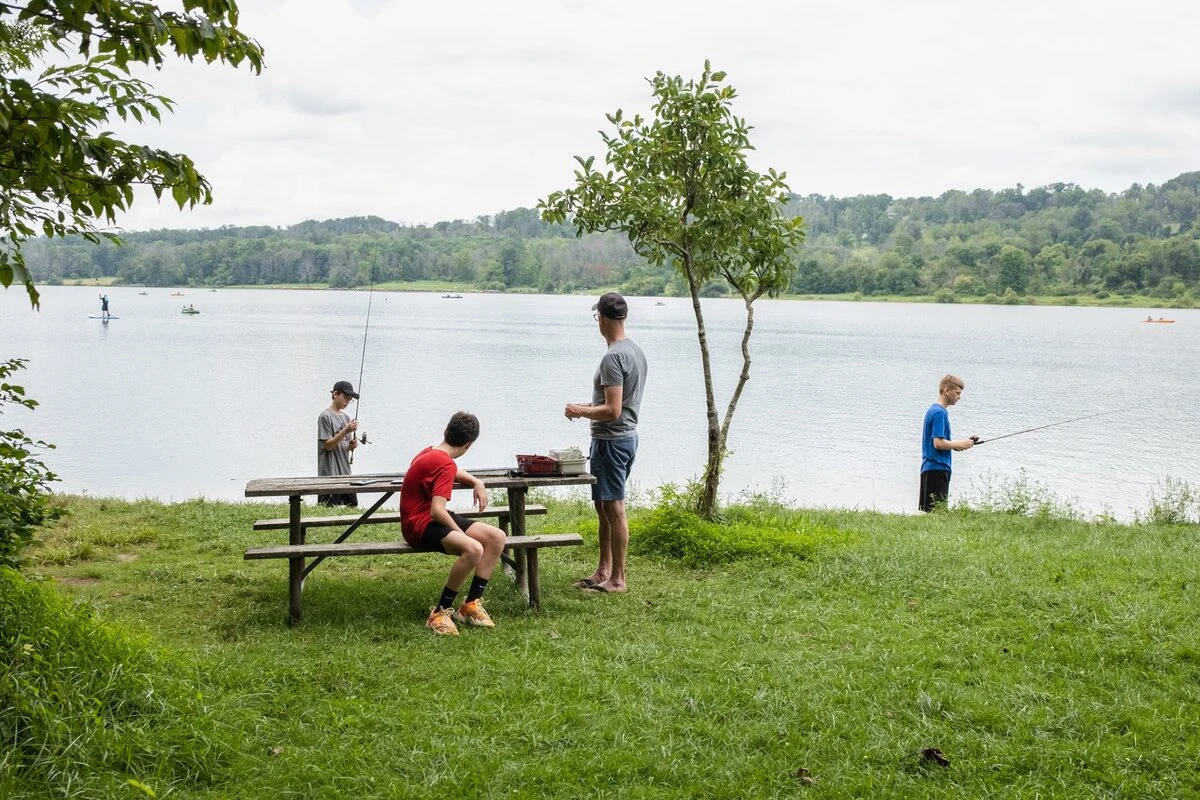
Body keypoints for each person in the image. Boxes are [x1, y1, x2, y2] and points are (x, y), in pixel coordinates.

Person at [564, 291, 648, 594]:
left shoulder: (613, 357)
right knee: (603, 506)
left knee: (614, 508)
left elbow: (612, 411)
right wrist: (585, 406)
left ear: (601, 318)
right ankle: (603, 570)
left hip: (612, 441)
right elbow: (618, 402)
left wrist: (579, 411)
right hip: (624, 437)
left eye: (596, 316)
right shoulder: (634, 351)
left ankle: (618, 579)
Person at [399, 411, 507, 636]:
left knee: (497, 537)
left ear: (446, 431)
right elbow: (437, 511)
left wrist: (476, 481)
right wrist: (461, 534)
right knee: (474, 549)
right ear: (469, 444)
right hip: (418, 525)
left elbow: (453, 469)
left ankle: (470, 605)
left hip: (429, 517)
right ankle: (439, 613)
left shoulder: (431, 452)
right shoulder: (444, 463)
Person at [919, 374, 977, 512]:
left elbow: (939, 442)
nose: (959, 397)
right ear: (946, 391)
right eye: (957, 393)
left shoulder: (934, 410)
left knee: (931, 513)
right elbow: (938, 443)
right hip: (937, 469)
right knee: (938, 513)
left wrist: (959, 445)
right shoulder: (940, 413)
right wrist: (960, 444)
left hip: (930, 469)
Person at [316, 380, 359, 507]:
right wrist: (345, 430)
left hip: (345, 472)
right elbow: (327, 445)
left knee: (352, 505)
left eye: (350, 399)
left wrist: (351, 446)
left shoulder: (346, 418)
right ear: (335, 394)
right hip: (329, 474)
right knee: (327, 509)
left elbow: (344, 444)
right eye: (345, 397)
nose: (347, 401)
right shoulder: (325, 417)